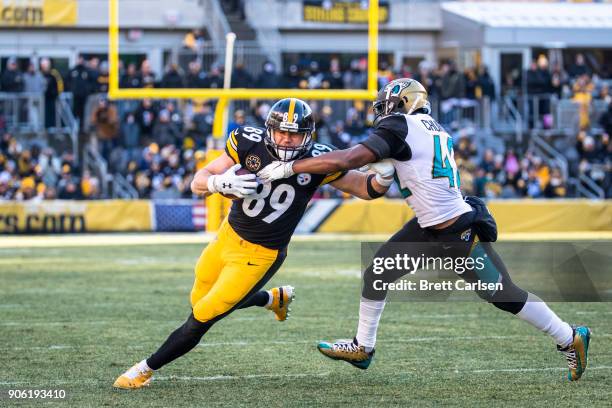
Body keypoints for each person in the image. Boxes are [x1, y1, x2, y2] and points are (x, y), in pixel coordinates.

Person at [257, 79, 592, 382]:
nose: (383, 113)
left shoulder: (401, 125)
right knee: (378, 272)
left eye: (387, 104)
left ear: (403, 102)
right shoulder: (433, 128)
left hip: (453, 231)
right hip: (430, 225)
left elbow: (347, 159)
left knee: (503, 295)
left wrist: (291, 166)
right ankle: (363, 347)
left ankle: (569, 336)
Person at [112, 98, 395, 389]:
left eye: (295, 133)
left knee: (203, 314)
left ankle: (144, 369)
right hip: (227, 237)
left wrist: (384, 176)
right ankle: (272, 299)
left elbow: (364, 188)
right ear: (268, 129)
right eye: (281, 132)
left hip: (261, 255)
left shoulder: (319, 161)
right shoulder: (247, 142)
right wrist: (217, 183)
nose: (286, 139)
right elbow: (199, 180)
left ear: (308, 136)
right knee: (200, 298)